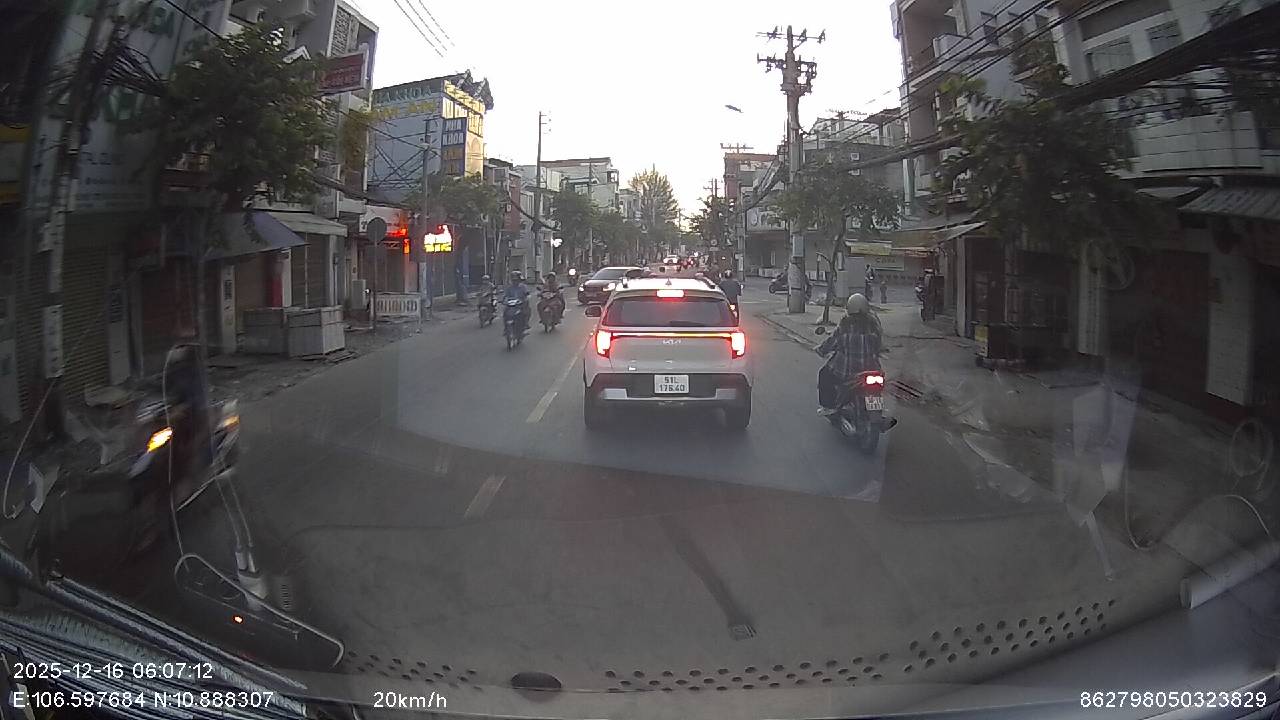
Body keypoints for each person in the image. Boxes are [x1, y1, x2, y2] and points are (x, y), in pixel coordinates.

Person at [816, 293, 883, 416]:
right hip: (871, 370)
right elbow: (879, 346)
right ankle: (876, 411)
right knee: (875, 388)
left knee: (824, 374)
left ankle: (829, 407)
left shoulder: (845, 325)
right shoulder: (873, 325)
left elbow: (832, 342)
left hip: (847, 372)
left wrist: (821, 350)